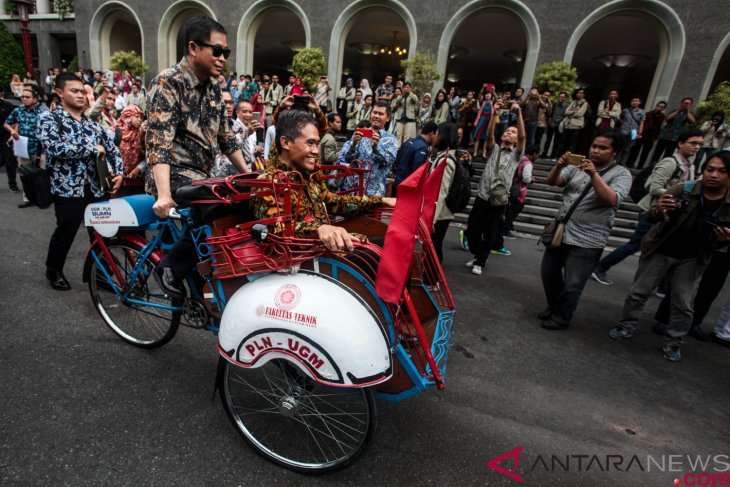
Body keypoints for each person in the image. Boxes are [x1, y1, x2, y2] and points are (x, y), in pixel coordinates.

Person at [145, 16, 250, 296]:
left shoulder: (215, 87)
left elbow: (228, 138)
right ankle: (170, 266)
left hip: (201, 177)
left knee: (245, 197)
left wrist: (251, 174)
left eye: (225, 53)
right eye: (216, 51)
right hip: (171, 176)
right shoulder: (168, 83)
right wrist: (164, 194)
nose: (222, 58)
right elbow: (159, 144)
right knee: (220, 203)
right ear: (193, 48)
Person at [608, 152, 730, 362]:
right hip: (662, 248)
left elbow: (722, 241)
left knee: (683, 303)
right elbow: (651, 214)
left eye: (721, 171)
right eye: (710, 169)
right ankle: (626, 325)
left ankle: (674, 342)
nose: (714, 175)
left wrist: (724, 239)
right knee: (639, 292)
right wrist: (660, 210)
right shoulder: (686, 189)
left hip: (693, 258)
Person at [253, 110, 395, 247]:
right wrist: (318, 229)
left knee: (388, 244)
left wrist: (380, 200)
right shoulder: (267, 183)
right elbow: (275, 231)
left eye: (317, 143)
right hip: (304, 263)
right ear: (285, 143)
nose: (316, 151)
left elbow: (334, 202)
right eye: (310, 143)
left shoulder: (309, 176)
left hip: (328, 253)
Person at [38, 73, 124, 290]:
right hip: (68, 190)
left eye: (83, 92)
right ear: (59, 92)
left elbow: (112, 148)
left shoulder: (91, 124)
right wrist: (90, 149)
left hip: (96, 188)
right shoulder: (50, 119)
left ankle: (102, 275)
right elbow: (54, 148)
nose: (80, 96)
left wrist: (120, 173)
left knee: (102, 233)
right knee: (65, 232)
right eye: (74, 91)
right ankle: (53, 269)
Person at [539, 131, 633, 330]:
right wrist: (559, 165)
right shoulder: (577, 166)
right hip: (561, 232)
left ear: (614, 151)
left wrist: (594, 174)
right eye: (594, 146)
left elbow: (611, 200)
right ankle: (555, 306)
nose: (596, 151)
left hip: (588, 240)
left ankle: (561, 317)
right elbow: (552, 181)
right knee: (549, 273)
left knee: (573, 284)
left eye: (603, 148)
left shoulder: (622, 174)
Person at [591, 129, 703, 286]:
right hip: (652, 210)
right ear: (680, 144)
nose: (696, 147)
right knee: (636, 244)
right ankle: (600, 267)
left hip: (670, 212)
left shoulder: (690, 166)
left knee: (663, 246)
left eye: (699, 144)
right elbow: (653, 186)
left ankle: (663, 285)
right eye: (693, 143)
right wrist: (678, 194)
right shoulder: (670, 163)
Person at [464, 101, 525, 276]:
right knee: (472, 229)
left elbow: (523, 138)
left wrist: (519, 114)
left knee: (490, 233)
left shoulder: (516, 154)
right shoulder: (494, 149)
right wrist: (494, 114)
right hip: (482, 196)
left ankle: (480, 261)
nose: (508, 133)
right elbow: (489, 135)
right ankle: (478, 255)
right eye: (507, 131)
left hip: (499, 200)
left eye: (512, 132)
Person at [337, 100, 398, 196]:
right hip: (351, 190)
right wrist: (353, 144)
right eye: (374, 112)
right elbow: (346, 159)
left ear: (388, 118)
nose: (376, 116)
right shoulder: (360, 133)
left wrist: (376, 148)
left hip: (373, 192)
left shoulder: (391, 140)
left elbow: (388, 161)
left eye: (381, 114)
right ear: (370, 114)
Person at [4, 84, 47, 208]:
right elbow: (7, 123)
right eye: (22, 97)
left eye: (27, 97)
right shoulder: (18, 110)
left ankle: (42, 198)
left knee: (41, 175)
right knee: (25, 174)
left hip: (39, 148)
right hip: (22, 147)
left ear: (35, 99)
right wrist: (12, 131)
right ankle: (27, 198)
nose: (24, 99)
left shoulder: (43, 111)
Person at [431, 122, 468, 261]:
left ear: (442, 136)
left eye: (436, 133)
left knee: (433, 249)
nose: (434, 137)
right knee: (433, 248)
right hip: (441, 213)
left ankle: (432, 279)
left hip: (440, 215)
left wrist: (432, 219)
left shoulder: (445, 160)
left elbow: (441, 191)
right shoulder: (447, 156)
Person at [501, 145, 537, 240]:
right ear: (534, 154)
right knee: (514, 210)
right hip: (518, 190)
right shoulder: (528, 163)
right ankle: (505, 229)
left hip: (511, 187)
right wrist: (531, 179)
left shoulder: (521, 159)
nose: (537, 157)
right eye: (538, 155)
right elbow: (526, 178)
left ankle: (507, 226)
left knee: (510, 209)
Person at [393, 121, 438, 189]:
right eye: (436, 136)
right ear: (432, 134)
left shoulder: (409, 141)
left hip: (398, 183)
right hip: (407, 188)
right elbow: (418, 171)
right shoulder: (423, 147)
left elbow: (397, 160)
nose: (436, 139)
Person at [652, 97, 695, 163]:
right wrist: (678, 111)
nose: (685, 104)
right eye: (684, 103)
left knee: (668, 155)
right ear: (681, 103)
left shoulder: (689, 114)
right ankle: (652, 166)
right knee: (657, 153)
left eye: (688, 103)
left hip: (675, 137)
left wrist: (687, 111)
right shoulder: (674, 110)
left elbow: (692, 121)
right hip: (665, 135)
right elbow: (667, 118)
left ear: (690, 105)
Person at [117, 104, 147, 196]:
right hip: (121, 181)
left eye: (141, 118)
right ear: (127, 117)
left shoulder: (142, 134)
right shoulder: (116, 133)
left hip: (139, 181)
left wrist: (139, 168)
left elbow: (147, 156)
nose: (140, 120)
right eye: (137, 117)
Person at [628, 100, 667, 169]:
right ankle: (630, 164)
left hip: (651, 137)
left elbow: (660, 126)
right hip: (643, 134)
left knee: (645, 153)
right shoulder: (647, 114)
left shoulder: (662, 116)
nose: (659, 108)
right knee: (635, 150)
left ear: (663, 108)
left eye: (661, 107)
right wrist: (638, 133)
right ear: (656, 106)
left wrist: (655, 136)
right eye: (658, 106)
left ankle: (640, 166)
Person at [617, 97, 645, 166]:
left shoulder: (641, 112)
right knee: (620, 147)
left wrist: (640, 133)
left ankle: (622, 163)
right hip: (624, 130)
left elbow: (642, 123)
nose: (634, 102)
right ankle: (616, 161)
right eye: (633, 101)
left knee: (628, 148)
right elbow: (619, 118)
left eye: (636, 101)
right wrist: (623, 123)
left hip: (634, 132)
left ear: (639, 102)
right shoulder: (625, 110)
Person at [561, 88, 588, 155]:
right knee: (563, 141)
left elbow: (579, 114)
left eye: (581, 93)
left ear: (584, 95)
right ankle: (561, 156)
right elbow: (566, 112)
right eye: (578, 93)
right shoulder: (573, 102)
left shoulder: (584, 103)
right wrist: (573, 112)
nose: (579, 94)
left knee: (572, 143)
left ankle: (569, 157)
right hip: (568, 124)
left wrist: (571, 113)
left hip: (576, 125)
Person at [393, 81, 419, 146]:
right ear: (402, 88)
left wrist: (409, 93)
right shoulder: (400, 96)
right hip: (400, 118)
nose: (406, 88)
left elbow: (416, 100)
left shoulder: (413, 96)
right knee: (399, 135)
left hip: (409, 118)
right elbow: (397, 102)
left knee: (407, 136)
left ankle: (404, 150)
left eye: (408, 87)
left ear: (410, 88)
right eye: (404, 87)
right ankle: (398, 149)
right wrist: (403, 95)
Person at [543, 91, 567, 158]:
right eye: (560, 96)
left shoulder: (566, 106)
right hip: (552, 124)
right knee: (548, 140)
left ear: (565, 98)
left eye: (562, 97)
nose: (561, 98)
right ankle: (544, 153)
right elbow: (551, 113)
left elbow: (565, 115)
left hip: (559, 125)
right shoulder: (555, 104)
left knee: (556, 141)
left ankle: (553, 155)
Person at [471, 91, 493, 159]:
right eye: (486, 94)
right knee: (478, 136)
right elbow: (479, 95)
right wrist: (483, 89)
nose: (487, 95)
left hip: (489, 121)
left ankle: (484, 153)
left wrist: (493, 91)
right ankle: (475, 152)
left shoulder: (493, 102)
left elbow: (496, 98)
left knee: (486, 138)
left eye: (489, 94)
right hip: (481, 120)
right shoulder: (482, 102)